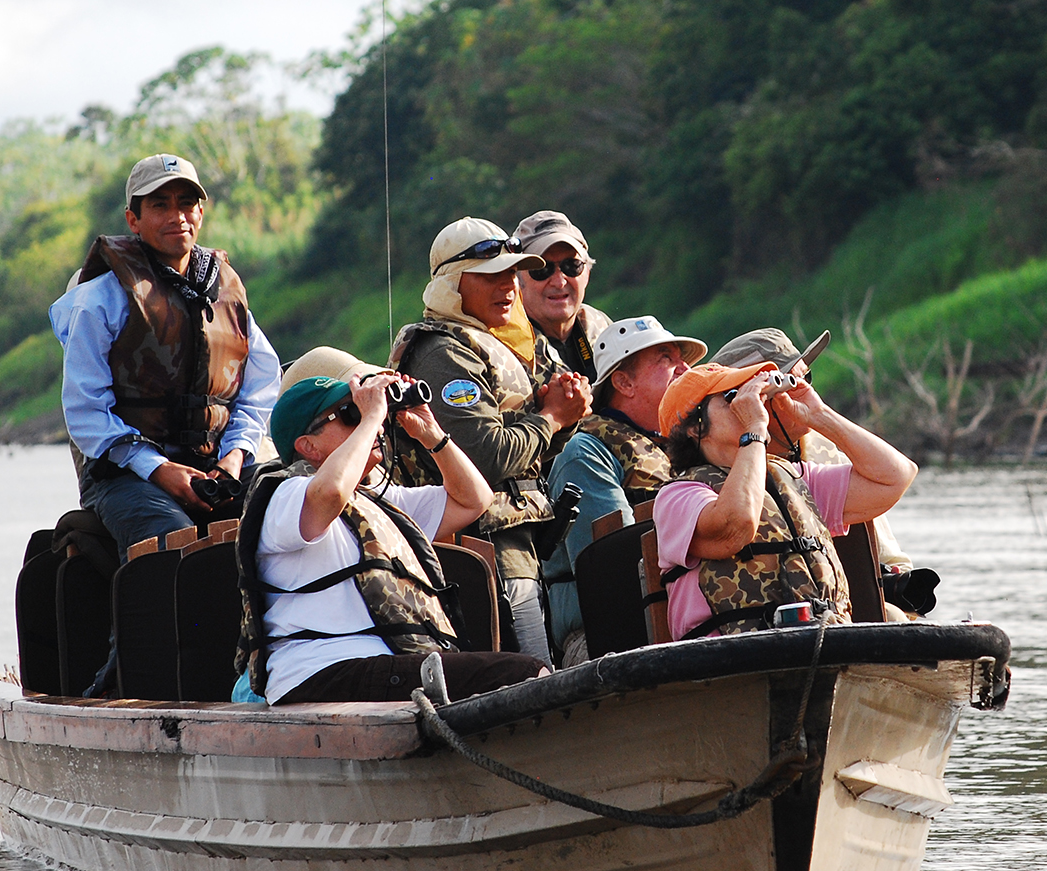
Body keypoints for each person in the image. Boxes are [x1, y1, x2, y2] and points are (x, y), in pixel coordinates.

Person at [234, 370, 546, 705]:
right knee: (525, 675)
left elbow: (473, 500)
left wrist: (433, 436)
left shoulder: (375, 506)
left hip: (383, 665)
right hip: (322, 671)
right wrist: (371, 417)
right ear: (307, 445)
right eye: (348, 414)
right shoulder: (283, 495)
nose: (373, 423)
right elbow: (330, 492)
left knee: (529, 677)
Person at [50, 153, 282, 552]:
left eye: (186, 204)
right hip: (127, 474)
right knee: (176, 543)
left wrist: (234, 457)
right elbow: (86, 413)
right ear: (133, 220)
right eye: (160, 205)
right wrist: (159, 469)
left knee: (291, 510)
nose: (178, 216)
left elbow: (261, 386)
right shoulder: (97, 302)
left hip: (219, 466)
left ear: (201, 213)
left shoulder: (226, 293)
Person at [387, 217, 592, 665]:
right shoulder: (443, 354)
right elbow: (486, 458)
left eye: (510, 274)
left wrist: (564, 413)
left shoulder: (489, 348)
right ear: (453, 285)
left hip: (518, 548)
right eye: (491, 276)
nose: (509, 287)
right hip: (479, 555)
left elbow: (530, 458)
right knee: (530, 676)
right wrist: (552, 417)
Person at [652, 364, 917, 640]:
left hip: (818, 642)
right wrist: (754, 431)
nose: (751, 403)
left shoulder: (793, 479)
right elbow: (736, 526)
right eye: (732, 397)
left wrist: (819, 415)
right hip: (729, 658)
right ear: (696, 427)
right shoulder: (677, 496)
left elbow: (894, 477)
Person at [710, 328, 921, 617]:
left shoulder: (829, 452)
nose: (800, 389)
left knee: (895, 616)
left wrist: (821, 416)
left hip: (836, 612)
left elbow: (900, 475)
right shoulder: (718, 471)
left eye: (805, 377)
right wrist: (755, 432)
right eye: (785, 382)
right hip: (760, 622)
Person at [540, 316, 706, 666]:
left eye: (682, 358)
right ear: (624, 382)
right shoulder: (587, 453)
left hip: (683, 619)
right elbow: (615, 568)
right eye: (666, 358)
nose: (685, 368)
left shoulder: (687, 447)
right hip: (606, 640)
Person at [514, 211, 609, 380]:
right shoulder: (501, 344)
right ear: (516, 279)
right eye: (542, 270)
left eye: (572, 266)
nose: (559, 282)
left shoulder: (602, 328)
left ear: (587, 273)